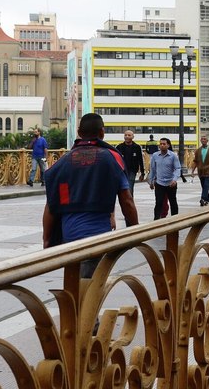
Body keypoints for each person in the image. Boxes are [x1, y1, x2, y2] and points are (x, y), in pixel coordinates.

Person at [42, 113, 139, 279]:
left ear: (79, 133)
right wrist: (135, 230)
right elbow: (127, 201)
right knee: (91, 286)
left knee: (74, 284)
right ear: (102, 132)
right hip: (97, 237)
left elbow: (51, 205)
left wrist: (47, 239)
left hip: (69, 236)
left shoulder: (64, 162)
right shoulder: (111, 158)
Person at [148, 137, 181, 220]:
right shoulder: (155, 155)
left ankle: (175, 220)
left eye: (164, 144)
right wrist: (151, 181)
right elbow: (153, 169)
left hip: (171, 183)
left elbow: (178, 168)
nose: (162, 145)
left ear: (168, 145)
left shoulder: (173, 156)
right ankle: (156, 220)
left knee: (173, 202)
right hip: (159, 183)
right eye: (160, 144)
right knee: (158, 203)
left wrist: (174, 180)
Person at [115, 130, 145, 196]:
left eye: (129, 135)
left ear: (133, 137)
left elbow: (140, 160)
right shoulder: (119, 147)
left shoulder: (137, 147)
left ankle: (130, 201)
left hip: (132, 171)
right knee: (121, 190)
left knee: (130, 188)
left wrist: (142, 173)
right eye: (125, 135)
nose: (127, 136)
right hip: (121, 171)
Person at [191, 135, 209, 206]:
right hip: (200, 171)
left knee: (206, 185)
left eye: (204, 139)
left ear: (207, 141)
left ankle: (203, 199)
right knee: (204, 186)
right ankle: (208, 199)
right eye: (202, 139)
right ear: (200, 141)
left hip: (208, 171)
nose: (203, 140)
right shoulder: (198, 150)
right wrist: (192, 171)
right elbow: (195, 161)